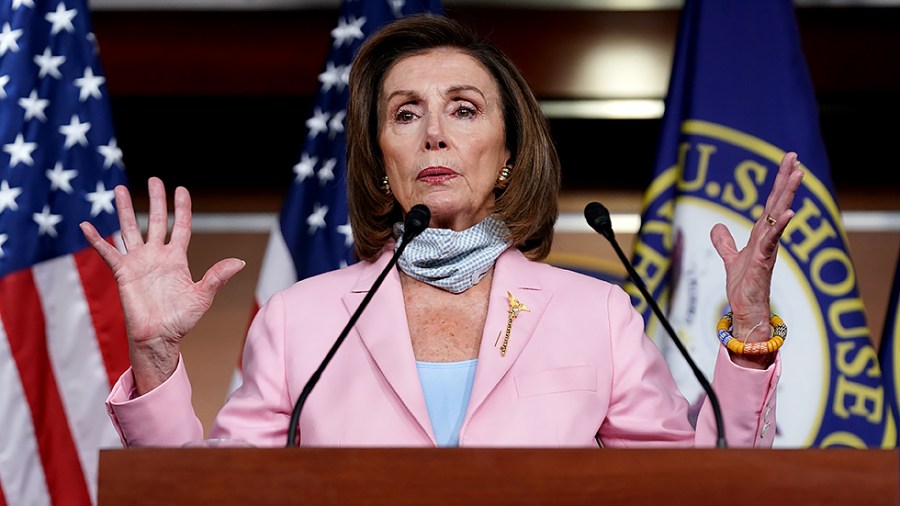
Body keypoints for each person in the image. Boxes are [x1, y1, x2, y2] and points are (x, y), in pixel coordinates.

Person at [81, 14, 803, 448]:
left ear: (508, 154)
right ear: (381, 163)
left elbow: (696, 483)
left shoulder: (598, 315)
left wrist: (746, 328)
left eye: (462, 109)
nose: (432, 134)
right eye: (404, 114)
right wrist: (152, 354)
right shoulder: (302, 321)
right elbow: (215, 494)